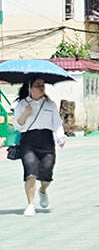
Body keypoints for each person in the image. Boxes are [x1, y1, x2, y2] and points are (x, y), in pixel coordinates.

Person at [13, 77, 65, 215]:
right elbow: (18, 125)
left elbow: (57, 123)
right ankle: (30, 204)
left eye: (43, 85)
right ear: (30, 88)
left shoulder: (50, 104)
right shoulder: (22, 105)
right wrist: (25, 113)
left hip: (46, 142)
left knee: (47, 174)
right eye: (38, 85)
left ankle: (43, 190)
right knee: (30, 173)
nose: (41, 88)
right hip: (29, 142)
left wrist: (61, 136)